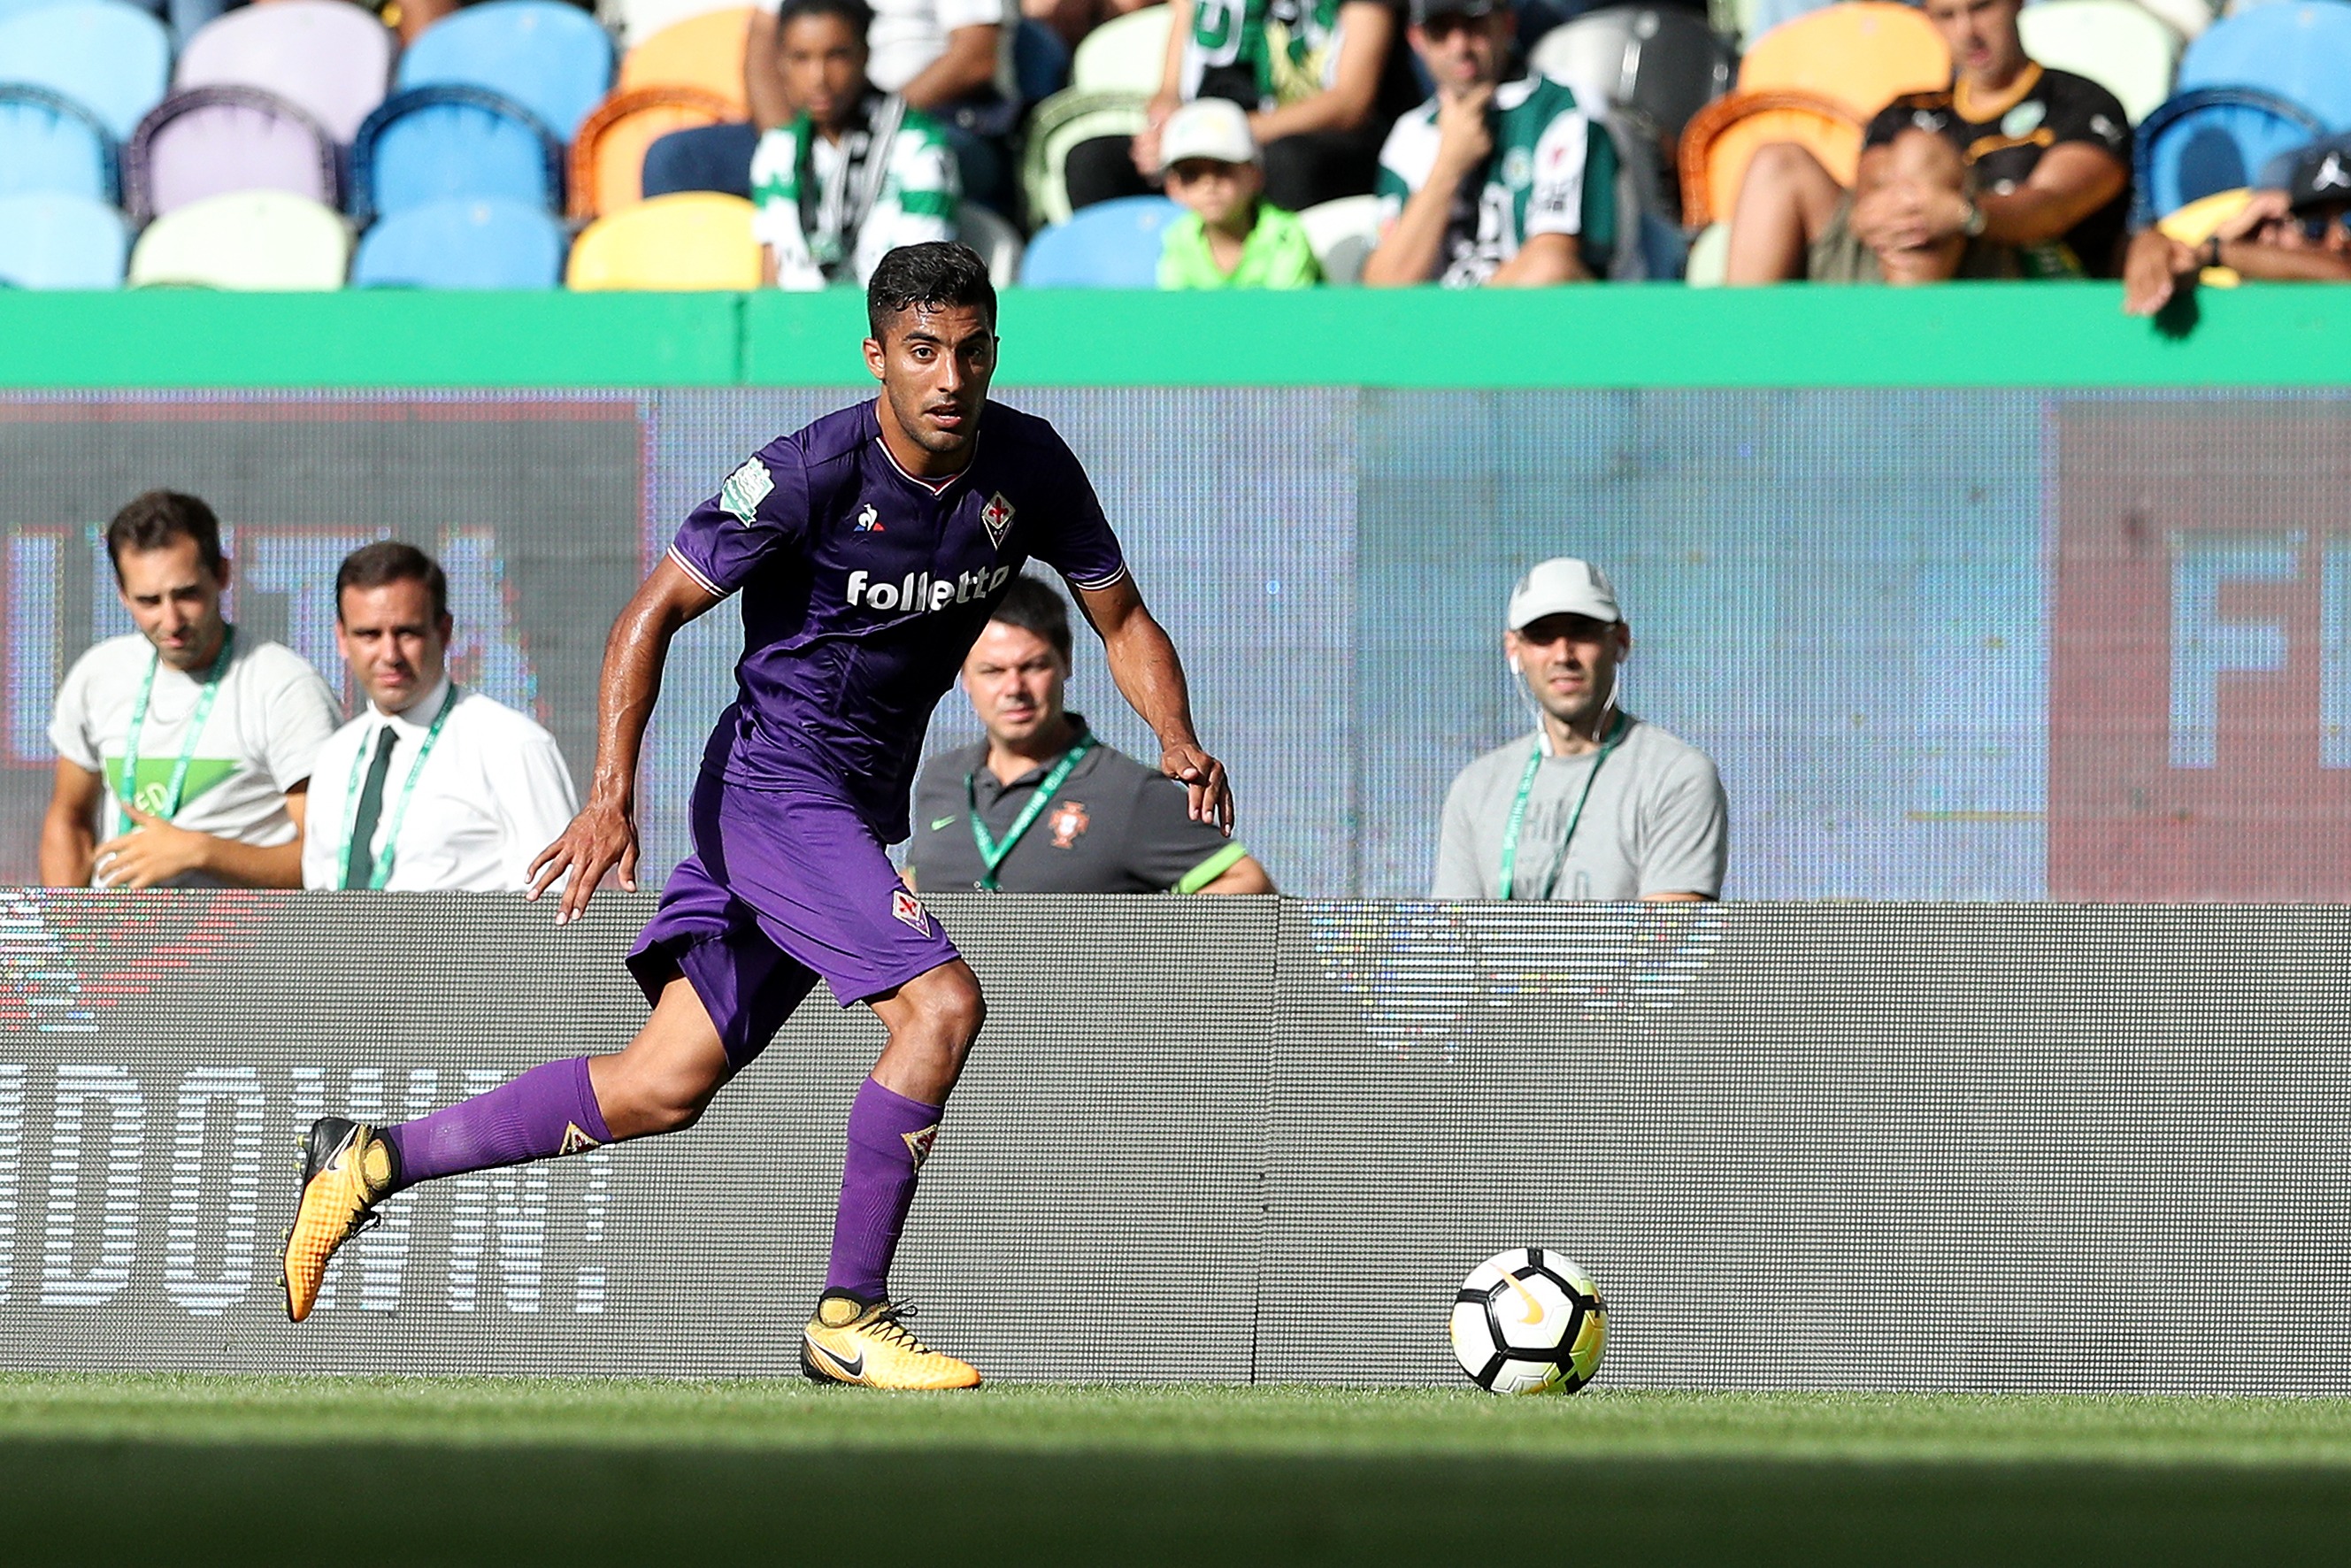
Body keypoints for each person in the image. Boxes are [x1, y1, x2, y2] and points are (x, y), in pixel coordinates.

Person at [279, 243, 1237, 1392]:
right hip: (774, 790)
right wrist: (607, 797)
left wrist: (1175, 735)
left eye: (971, 350)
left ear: (994, 352)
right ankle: (850, 1314)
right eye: (922, 351)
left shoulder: (1027, 465)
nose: (948, 376)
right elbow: (652, 612)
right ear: (876, 355)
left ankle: (368, 1160)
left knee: (659, 1086)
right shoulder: (808, 471)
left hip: (841, 811)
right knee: (940, 1007)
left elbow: (1120, 616)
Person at [40, 491, 339, 892]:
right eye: (149, 601)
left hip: (244, 949)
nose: (171, 620)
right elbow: (68, 818)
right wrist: (68, 935)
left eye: (187, 594)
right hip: (119, 946)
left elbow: (330, 860)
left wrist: (201, 852)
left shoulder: (285, 687)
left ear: (222, 575)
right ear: (122, 593)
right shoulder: (99, 674)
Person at [909, 573, 1273, 893]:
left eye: (1033, 666)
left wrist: (1122, 954)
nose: (1014, 688)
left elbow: (1247, 885)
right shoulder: (942, 779)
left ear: (1065, 660)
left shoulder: (1127, 791)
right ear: (963, 675)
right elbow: (914, 882)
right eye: (992, 671)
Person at [1723, 0, 2131, 284]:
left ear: (2017, 2)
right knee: (1778, 162)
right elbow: (1871, 195)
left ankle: (1905, 373)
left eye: (1982, 7)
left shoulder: (2080, 102)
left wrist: (1964, 214)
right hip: (1886, 264)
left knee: (1923, 154)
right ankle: (1735, 373)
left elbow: (2053, 206)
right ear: (1928, 19)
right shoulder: (1904, 112)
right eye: (1947, 15)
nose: (1968, 32)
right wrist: (1888, 213)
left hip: (2019, 283)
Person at [1433, 557, 1725, 903]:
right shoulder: (1477, 788)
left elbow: (1665, 944)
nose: (1563, 654)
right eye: (1541, 635)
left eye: (1582, 631)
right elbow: (1453, 942)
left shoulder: (1675, 775)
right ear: (1514, 649)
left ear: (1621, 641)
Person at [301, 542, 579, 894]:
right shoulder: (335, 755)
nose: (390, 655)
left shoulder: (510, 744)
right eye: (369, 634)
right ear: (342, 638)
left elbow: (560, 900)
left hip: (470, 949)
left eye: (407, 633)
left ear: (444, 632)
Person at [643, 0, 1010, 210]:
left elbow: (975, 56)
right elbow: (762, 47)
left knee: (925, 162)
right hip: (818, 122)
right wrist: (791, 146)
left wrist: (875, 124)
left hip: (933, 122)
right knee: (675, 160)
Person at [1061, 0, 1417, 214]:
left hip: (1308, 140)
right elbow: (1169, 88)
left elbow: (1350, 102)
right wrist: (1162, 128)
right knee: (1092, 162)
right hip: (1202, 135)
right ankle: (1124, 313)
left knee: (1288, 164)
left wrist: (1231, 134)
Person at [1359, 0, 1617, 288]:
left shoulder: (1564, 106)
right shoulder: (1410, 133)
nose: (1459, 47)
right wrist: (1448, 166)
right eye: (1440, 29)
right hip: (1441, 326)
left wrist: (1461, 325)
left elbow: (1553, 263)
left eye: (1474, 24)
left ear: (1507, 24)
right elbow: (1380, 285)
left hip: (1546, 325)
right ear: (1417, 39)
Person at [749, 0, 963, 290]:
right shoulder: (777, 150)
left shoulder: (918, 147)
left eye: (837, 56)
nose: (818, 78)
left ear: (865, 54)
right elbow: (772, 285)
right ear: (781, 63)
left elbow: (922, 290)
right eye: (801, 58)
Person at [2123, 131, 2351, 317]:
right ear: (2272, 231)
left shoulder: (2223, 254)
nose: (2338, 241)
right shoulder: (2244, 261)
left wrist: (2215, 252)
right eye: (2315, 227)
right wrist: (2151, 243)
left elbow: (2344, 275)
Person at [1814, 126, 2018, 286]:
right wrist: (1877, 213)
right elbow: (1868, 173)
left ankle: (1907, 320)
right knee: (1786, 161)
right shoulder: (1904, 107)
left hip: (1987, 249)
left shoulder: (2047, 96)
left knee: (1919, 150)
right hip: (1874, 249)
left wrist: (1965, 213)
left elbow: (2047, 206)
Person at [1155, 97, 1324, 289]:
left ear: (1255, 176)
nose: (1208, 184)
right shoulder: (1178, 239)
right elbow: (1175, 312)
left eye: (1223, 169)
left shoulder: (1285, 236)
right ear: (1173, 187)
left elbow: (1287, 314)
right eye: (1191, 174)